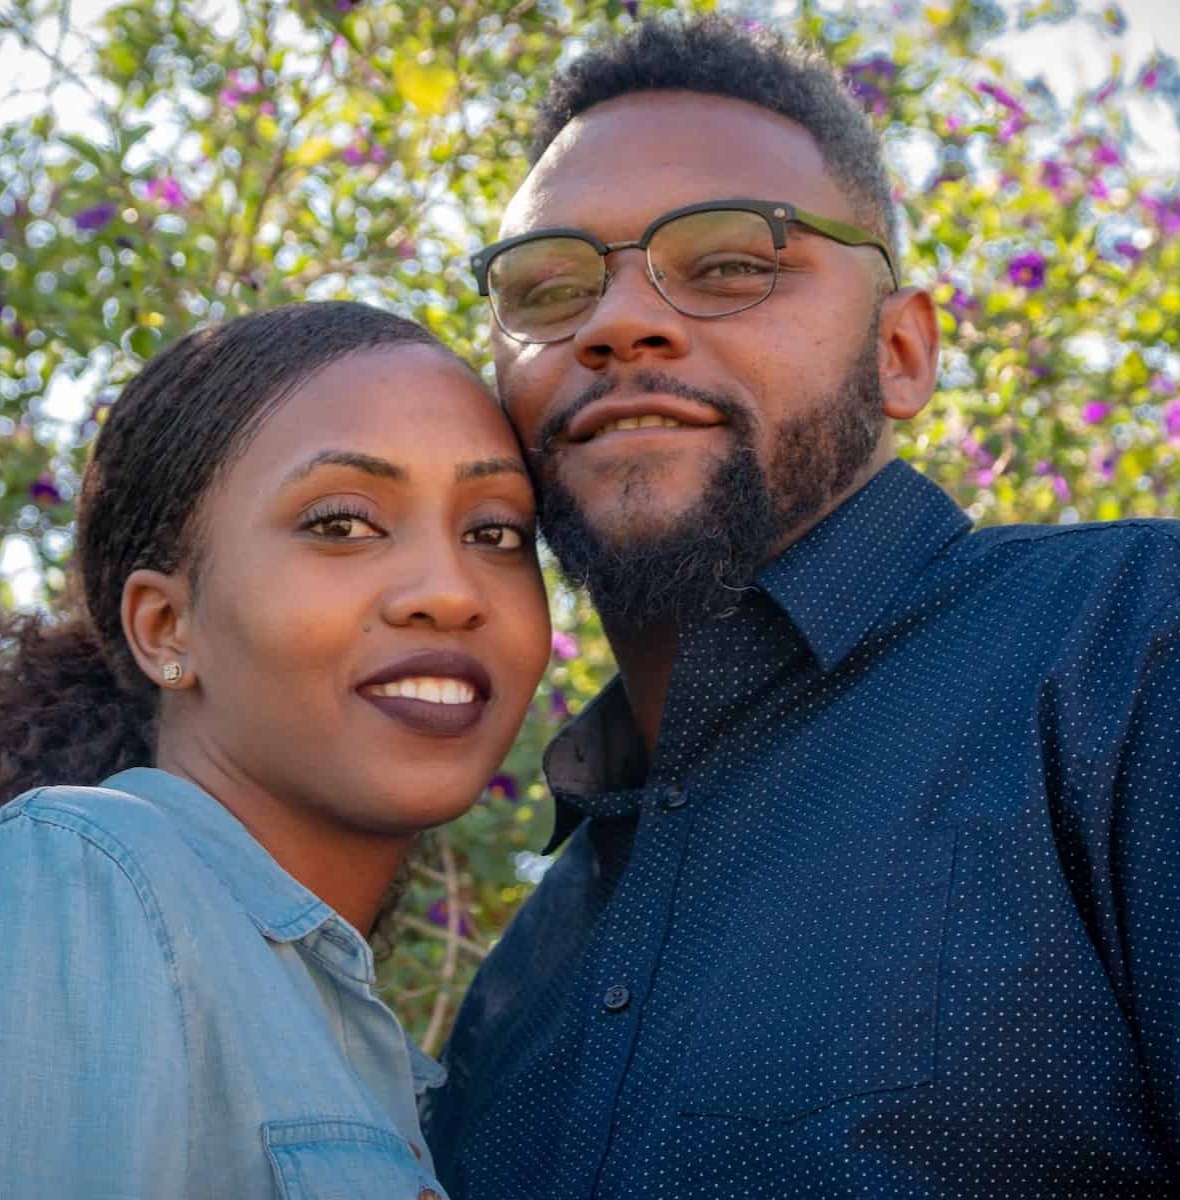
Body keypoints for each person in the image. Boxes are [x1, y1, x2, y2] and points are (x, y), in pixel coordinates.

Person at [424, 17, 1180, 1198]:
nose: (615, 322)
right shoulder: (515, 995)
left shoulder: (1134, 651)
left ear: (900, 352)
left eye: (731, 263)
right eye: (549, 287)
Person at [0, 301, 550, 1199]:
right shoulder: (79, 876)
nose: (451, 593)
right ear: (165, 625)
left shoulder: (383, 1065)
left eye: (495, 532)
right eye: (343, 524)